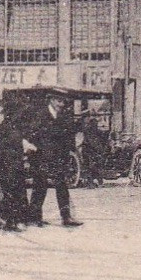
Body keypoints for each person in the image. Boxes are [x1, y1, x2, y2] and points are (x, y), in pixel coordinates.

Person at [28, 90, 82, 227]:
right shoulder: (40, 115)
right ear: (51, 100)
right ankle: (34, 217)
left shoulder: (63, 116)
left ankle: (66, 217)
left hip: (59, 157)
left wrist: (70, 150)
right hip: (41, 157)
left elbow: (68, 135)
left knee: (61, 186)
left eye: (63, 101)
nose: (61, 104)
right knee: (40, 186)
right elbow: (33, 136)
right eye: (59, 101)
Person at [0, 107, 33, 231]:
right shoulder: (6, 127)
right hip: (8, 164)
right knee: (11, 192)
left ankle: (14, 219)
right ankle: (11, 220)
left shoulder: (15, 128)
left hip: (15, 163)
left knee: (15, 191)